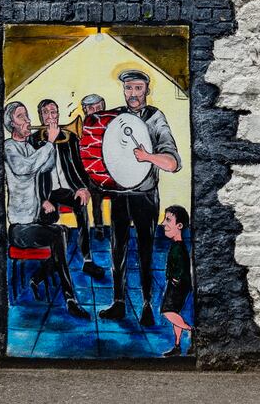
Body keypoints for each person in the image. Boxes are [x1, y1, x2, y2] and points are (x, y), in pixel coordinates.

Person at [98, 69, 181, 326]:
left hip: (144, 195)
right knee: (117, 250)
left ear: (146, 89)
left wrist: (148, 158)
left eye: (137, 88)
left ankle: (146, 304)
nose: (132, 94)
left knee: (145, 250)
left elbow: (173, 163)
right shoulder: (117, 117)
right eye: (128, 88)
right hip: (120, 195)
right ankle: (119, 303)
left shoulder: (156, 118)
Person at [3, 101, 89, 320]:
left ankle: (38, 277)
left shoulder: (31, 147)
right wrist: (49, 142)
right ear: (11, 123)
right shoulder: (9, 147)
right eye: (22, 117)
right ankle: (71, 299)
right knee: (59, 233)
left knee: (64, 234)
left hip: (35, 219)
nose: (28, 122)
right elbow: (25, 168)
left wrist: (52, 144)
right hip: (20, 227)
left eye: (27, 117)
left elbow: (46, 167)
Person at [31, 98, 105, 279]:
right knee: (47, 218)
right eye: (46, 113)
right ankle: (52, 262)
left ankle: (87, 260)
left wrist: (82, 187)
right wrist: (42, 199)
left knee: (81, 207)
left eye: (54, 112)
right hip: (46, 192)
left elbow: (79, 166)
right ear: (41, 117)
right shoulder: (34, 141)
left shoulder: (69, 137)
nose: (51, 116)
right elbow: (33, 174)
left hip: (66, 188)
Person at [160, 205, 193, 357]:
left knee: (167, 311)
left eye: (168, 220)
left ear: (179, 226)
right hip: (177, 284)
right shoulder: (176, 245)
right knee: (175, 315)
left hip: (177, 285)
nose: (163, 224)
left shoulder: (179, 248)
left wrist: (176, 279)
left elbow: (182, 267)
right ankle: (178, 345)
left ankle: (193, 331)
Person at [79, 93, 108, 240]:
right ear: (85, 109)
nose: (96, 110)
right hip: (90, 172)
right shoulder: (82, 126)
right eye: (91, 108)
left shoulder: (108, 122)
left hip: (107, 170)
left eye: (98, 106)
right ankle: (99, 227)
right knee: (95, 194)